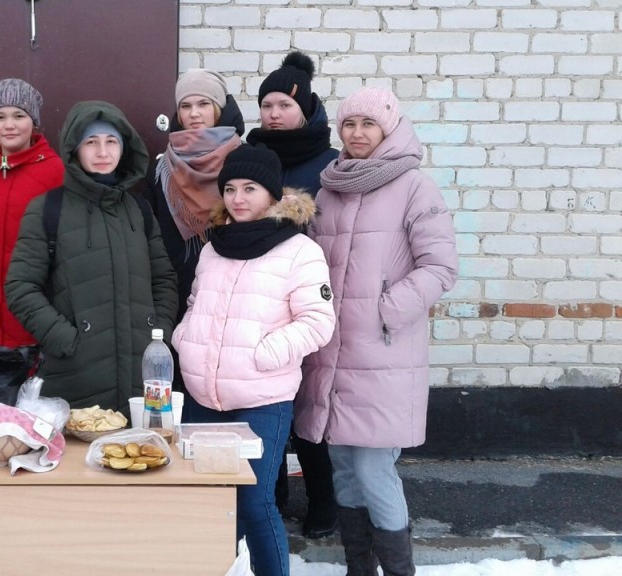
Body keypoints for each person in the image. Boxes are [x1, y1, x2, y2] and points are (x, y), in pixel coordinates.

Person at [296, 87, 458, 576]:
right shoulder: (330, 188)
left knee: (373, 468)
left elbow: (440, 266)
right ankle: (359, 569)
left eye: (368, 123)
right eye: (349, 124)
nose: (358, 133)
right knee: (344, 467)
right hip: (332, 352)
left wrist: (385, 310)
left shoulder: (414, 186)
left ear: (388, 128)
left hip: (383, 352)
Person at [173, 144, 335, 576]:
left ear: (272, 193)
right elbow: (195, 302)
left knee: (254, 502)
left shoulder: (300, 250)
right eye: (230, 189)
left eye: (250, 189)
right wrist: (185, 339)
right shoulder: (213, 248)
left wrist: (262, 354)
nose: (238, 198)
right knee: (210, 501)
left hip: (261, 400)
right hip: (203, 397)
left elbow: (318, 322)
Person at [5, 101, 178, 413]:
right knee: (79, 445)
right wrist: (66, 340)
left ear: (124, 148)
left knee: (141, 445)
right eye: (91, 142)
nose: (102, 152)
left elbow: (163, 279)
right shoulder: (47, 209)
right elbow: (21, 287)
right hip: (75, 379)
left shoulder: (139, 210)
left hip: (141, 377)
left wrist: (158, 334)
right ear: (75, 149)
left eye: (111, 141)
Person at [247, 51, 342, 539]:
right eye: (267, 105)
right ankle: (275, 495)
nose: (274, 114)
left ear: (305, 108)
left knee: (310, 406)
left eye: (284, 104)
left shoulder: (331, 163)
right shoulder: (251, 155)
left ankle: (324, 501)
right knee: (268, 402)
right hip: (260, 298)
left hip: (310, 295)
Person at [144, 68, 243, 400]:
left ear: (219, 108)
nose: (194, 114)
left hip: (231, 293)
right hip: (177, 291)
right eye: (186, 106)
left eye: (203, 104)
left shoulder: (243, 159)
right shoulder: (162, 166)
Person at [0, 78, 64, 347]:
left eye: (19, 115)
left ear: (34, 121)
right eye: (0, 117)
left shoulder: (56, 171)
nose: (9, 125)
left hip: (37, 309)